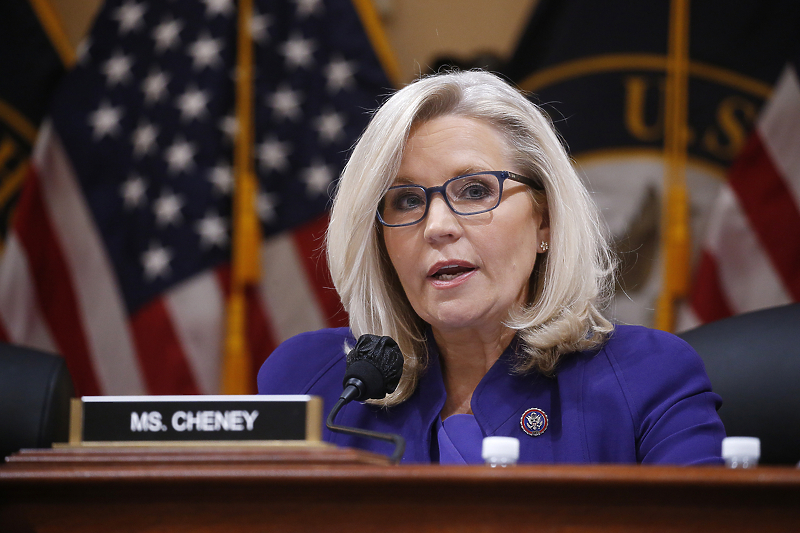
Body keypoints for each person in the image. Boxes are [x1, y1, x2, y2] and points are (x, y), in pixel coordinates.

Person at [258, 70, 725, 464]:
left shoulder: (647, 377)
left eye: (476, 190)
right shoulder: (312, 384)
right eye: (404, 200)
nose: (437, 226)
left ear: (545, 219)